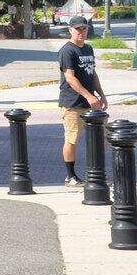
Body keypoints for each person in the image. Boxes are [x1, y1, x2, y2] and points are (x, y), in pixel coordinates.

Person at [57, 18, 106, 184]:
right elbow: (69, 77)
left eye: (84, 29)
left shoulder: (88, 48)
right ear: (71, 30)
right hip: (72, 104)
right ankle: (70, 176)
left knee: (102, 138)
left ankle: (97, 174)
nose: (81, 32)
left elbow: (93, 73)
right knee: (72, 139)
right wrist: (89, 96)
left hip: (91, 104)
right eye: (78, 29)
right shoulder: (67, 51)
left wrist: (101, 95)